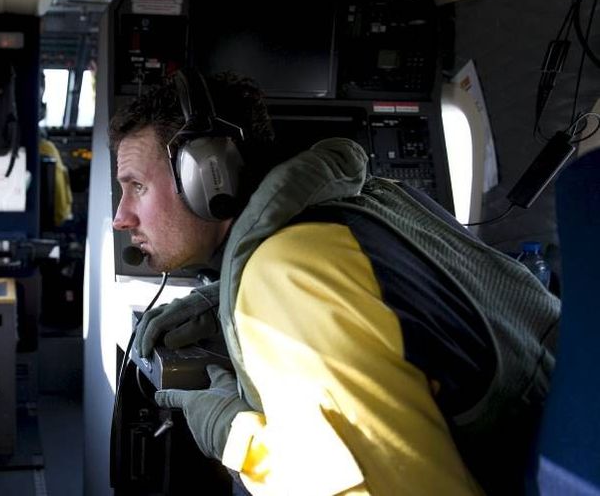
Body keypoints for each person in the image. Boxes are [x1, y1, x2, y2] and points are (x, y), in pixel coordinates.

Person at [110, 71, 560, 495]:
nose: (120, 217)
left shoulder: (288, 274)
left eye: (136, 187)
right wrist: (222, 294)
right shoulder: (376, 199)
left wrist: (234, 434)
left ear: (205, 176)